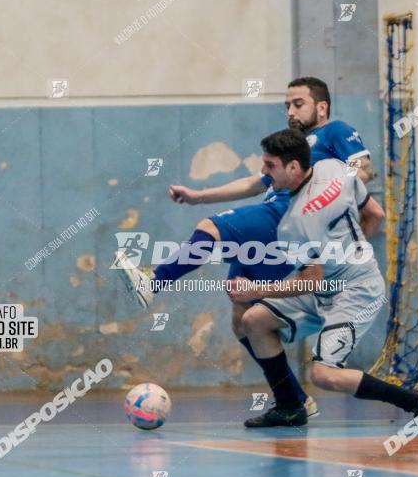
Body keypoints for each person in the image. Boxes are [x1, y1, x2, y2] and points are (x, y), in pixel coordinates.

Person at [114, 77, 376, 417]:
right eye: (286, 104)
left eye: (298, 103)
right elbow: (255, 182)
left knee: (211, 229)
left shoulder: (335, 131)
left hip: (285, 215)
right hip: (274, 222)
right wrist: (199, 196)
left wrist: (331, 190)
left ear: (321, 107)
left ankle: (154, 282)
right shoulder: (291, 145)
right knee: (242, 316)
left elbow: (364, 167)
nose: (290, 110)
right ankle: (293, 400)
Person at [228, 128, 418, 427]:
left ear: (293, 166)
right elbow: (375, 213)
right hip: (337, 281)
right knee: (254, 321)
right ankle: (290, 406)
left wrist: (255, 291)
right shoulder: (334, 168)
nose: (264, 172)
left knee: (324, 375)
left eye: (270, 165)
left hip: (356, 292)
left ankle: (416, 402)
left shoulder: (294, 223)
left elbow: (309, 281)